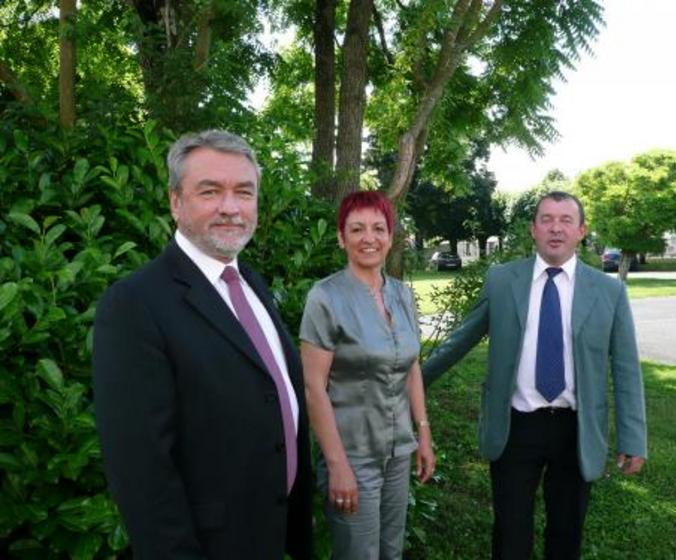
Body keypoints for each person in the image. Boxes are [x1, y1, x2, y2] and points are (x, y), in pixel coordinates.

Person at [93, 130, 312, 559]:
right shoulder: (135, 303)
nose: (230, 207)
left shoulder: (251, 282)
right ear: (176, 202)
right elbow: (142, 471)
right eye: (210, 191)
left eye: (244, 192)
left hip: (272, 536)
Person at [422, 191, 647, 560]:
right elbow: (460, 340)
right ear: (533, 229)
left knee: (566, 534)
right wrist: (413, 381)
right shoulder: (501, 280)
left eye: (565, 220)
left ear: (581, 231)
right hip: (515, 427)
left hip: (576, 429)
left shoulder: (609, 291)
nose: (555, 228)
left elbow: (625, 368)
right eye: (546, 219)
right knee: (510, 534)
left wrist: (633, 437)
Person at [300, 191, 435, 559]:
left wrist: (422, 434)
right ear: (341, 237)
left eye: (378, 228)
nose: (369, 238)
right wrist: (337, 465)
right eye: (357, 229)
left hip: (398, 450)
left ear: (391, 237)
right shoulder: (325, 297)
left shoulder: (402, 295)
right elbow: (313, 388)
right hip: (352, 455)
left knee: (391, 552)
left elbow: (412, 367)